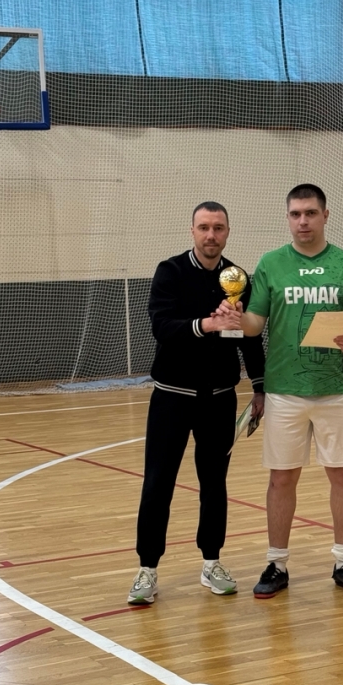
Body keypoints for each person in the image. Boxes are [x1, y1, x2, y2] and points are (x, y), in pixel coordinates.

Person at [217, 184, 343, 598]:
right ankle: (276, 563)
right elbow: (255, 323)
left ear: (325, 215)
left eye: (310, 213)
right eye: (295, 214)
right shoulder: (271, 263)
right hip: (284, 389)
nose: (302, 221)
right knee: (281, 478)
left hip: (336, 388)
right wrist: (234, 318)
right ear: (287, 218)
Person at [127, 202, 265, 606]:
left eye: (218, 228)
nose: (211, 235)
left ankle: (212, 562)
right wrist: (208, 324)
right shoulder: (169, 272)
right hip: (171, 398)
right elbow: (162, 327)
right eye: (204, 227)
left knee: (214, 484)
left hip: (220, 400)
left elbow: (250, 337)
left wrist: (259, 387)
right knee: (158, 484)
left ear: (227, 232)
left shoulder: (237, 279)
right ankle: (147, 568)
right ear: (192, 231)